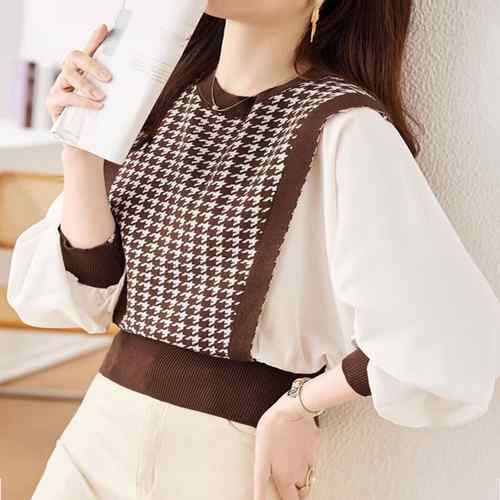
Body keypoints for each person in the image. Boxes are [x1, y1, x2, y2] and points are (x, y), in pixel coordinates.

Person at [8, 1, 500, 499]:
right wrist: (80, 149)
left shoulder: (345, 128)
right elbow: (86, 291)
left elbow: (444, 335)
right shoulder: (158, 102)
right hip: (94, 436)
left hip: (219, 460)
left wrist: (299, 404)